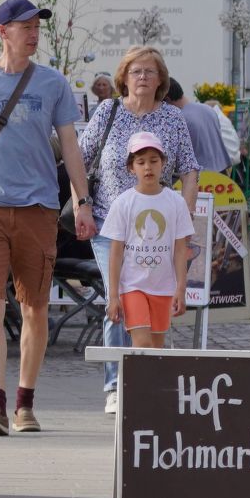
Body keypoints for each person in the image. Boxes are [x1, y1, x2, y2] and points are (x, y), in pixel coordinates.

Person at [0, 0, 93, 437]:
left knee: (35, 307)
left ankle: (26, 401)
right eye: (25, 26)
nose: (34, 32)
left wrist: (82, 202)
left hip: (39, 208)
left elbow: (70, 145)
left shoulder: (53, 84)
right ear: (3, 31)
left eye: (37, 26)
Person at [79, 46, 200, 405]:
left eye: (150, 71)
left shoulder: (172, 120)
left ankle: (147, 380)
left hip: (159, 230)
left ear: (161, 79)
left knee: (155, 298)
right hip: (109, 225)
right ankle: (117, 386)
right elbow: (79, 161)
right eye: (136, 71)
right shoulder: (108, 112)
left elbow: (190, 170)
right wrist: (81, 205)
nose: (143, 77)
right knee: (119, 296)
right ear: (123, 77)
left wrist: (185, 220)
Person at [97, 132, 194, 353]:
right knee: (142, 345)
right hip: (132, 286)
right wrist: (113, 296)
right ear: (132, 167)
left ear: (164, 164)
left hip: (163, 287)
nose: (148, 167)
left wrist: (181, 288)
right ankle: (132, 387)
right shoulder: (123, 203)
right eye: (141, 162)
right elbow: (115, 253)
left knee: (156, 348)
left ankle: (144, 387)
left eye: (154, 161)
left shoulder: (176, 203)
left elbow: (180, 250)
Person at [167, 78, 238, 177]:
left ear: (168, 99)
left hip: (199, 179)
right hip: (222, 175)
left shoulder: (179, 119)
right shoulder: (208, 109)